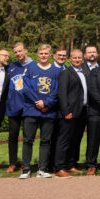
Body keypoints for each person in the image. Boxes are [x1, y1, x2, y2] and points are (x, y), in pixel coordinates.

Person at [20, 44, 62, 179]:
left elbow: (57, 91)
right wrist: (37, 102)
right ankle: (26, 169)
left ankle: (42, 169)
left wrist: (47, 103)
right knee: (28, 140)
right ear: (38, 54)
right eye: (41, 53)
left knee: (45, 140)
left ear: (50, 55)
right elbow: (24, 87)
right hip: (31, 109)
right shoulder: (29, 68)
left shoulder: (56, 71)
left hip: (48, 111)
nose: (43, 56)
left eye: (46, 53)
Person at [55, 49, 88, 177]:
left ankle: (70, 165)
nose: (77, 60)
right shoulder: (66, 73)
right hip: (69, 112)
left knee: (75, 140)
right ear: (70, 59)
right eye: (75, 58)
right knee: (64, 140)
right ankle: (59, 167)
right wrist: (66, 111)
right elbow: (62, 94)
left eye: (79, 58)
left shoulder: (83, 72)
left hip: (81, 111)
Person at [6, 42, 34, 173]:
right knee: (13, 136)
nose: (18, 54)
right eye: (15, 52)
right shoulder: (12, 66)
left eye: (20, 51)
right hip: (13, 107)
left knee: (27, 137)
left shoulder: (35, 66)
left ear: (26, 50)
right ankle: (13, 163)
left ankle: (26, 164)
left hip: (29, 107)